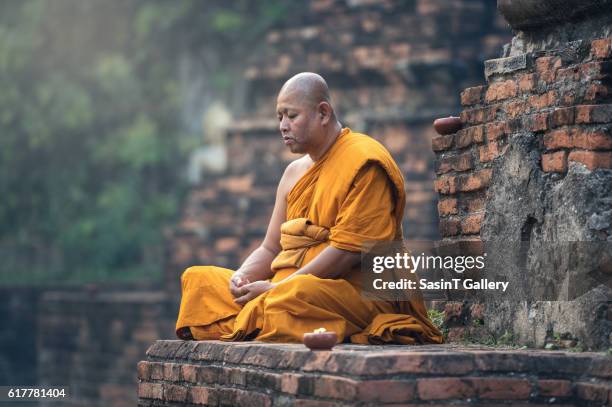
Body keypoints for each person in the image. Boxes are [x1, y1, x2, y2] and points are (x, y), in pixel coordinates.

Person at [175, 72, 442, 344]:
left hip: (352, 291)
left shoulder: (364, 161)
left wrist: (277, 288)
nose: (282, 126)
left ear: (323, 113)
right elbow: (270, 248)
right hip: (286, 286)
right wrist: (242, 279)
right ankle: (258, 314)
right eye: (279, 117)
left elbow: (346, 252)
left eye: (291, 116)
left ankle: (259, 316)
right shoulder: (293, 173)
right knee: (199, 281)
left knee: (292, 298)